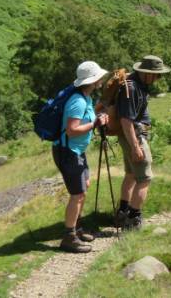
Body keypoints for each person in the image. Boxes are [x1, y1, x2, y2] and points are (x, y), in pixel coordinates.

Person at [52, 60, 110, 253]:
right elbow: (71, 130)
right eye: (99, 77)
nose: (102, 79)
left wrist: (99, 118)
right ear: (92, 80)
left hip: (76, 151)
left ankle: (76, 228)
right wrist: (95, 124)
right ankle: (68, 237)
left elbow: (87, 119)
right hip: (68, 152)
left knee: (84, 188)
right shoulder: (77, 101)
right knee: (77, 194)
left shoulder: (86, 97)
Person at [114, 55, 170, 230]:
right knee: (145, 178)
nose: (158, 78)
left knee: (131, 174)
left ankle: (122, 212)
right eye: (157, 74)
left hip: (130, 136)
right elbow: (126, 120)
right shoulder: (132, 89)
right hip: (133, 136)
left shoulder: (137, 84)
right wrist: (136, 146)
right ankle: (133, 218)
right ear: (146, 73)